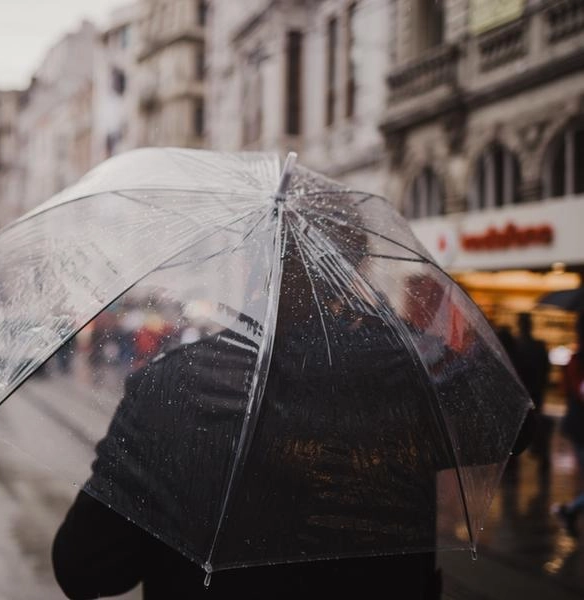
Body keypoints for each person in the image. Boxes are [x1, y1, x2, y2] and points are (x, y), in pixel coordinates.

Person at [52, 202, 529, 599]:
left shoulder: (172, 387)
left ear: (249, 269)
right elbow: (508, 421)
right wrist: (401, 328)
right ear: (353, 270)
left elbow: (86, 568)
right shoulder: (408, 376)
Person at [513, 312, 552, 477]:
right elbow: (545, 370)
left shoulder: (517, 346)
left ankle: (518, 460)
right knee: (534, 426)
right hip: (534, 392)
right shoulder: (537, 346)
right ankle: (542, 456)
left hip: (523, 394)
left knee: (520, 428)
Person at [557, 313, 584, 536]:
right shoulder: (577, 360)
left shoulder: (574, 359)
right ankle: (569, 510)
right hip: (580, 428)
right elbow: (578, 391)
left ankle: (570, 511)